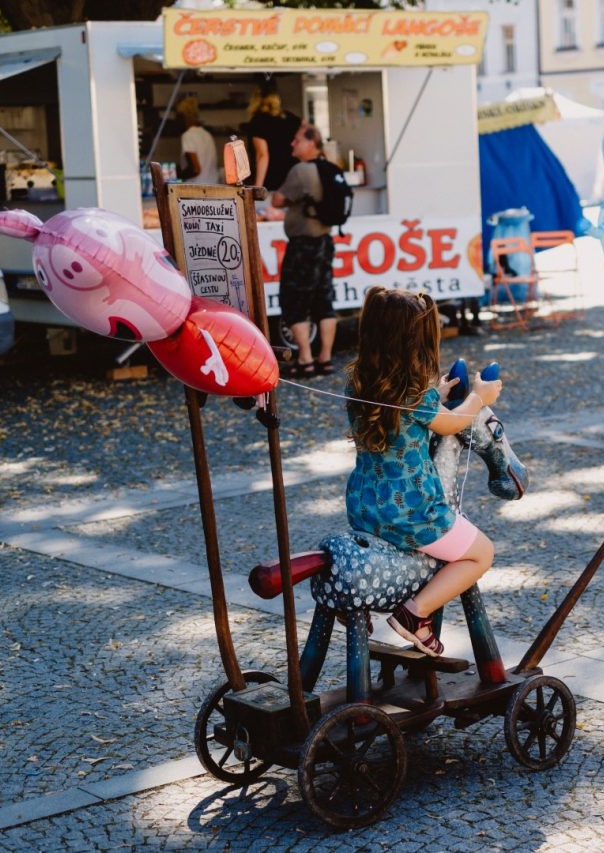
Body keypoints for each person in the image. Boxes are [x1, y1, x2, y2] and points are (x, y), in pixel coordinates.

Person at [344, 287, 504, 657]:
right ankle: (415, 615)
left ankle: (362, 605)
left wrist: (438, 395)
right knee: (482, 553)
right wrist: (478, 397)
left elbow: (407, 414)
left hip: (365, 506)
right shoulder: (415, 394)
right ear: (414, 342)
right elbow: (452, 424)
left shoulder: (358, 381)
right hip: (411, 511)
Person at [269, 125, 338, 375]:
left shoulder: (301, 171)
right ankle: (325, 358)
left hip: (303, 245)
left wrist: (291, 200)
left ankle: (305, 360)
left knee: (294, 299)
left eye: (297, 140)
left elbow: (277, 199)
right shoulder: (330, 168)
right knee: (324, 299)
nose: (292, 144)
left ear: (311, 143)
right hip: (325, 241)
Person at [246, 91, 303, 192]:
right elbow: (310, 131)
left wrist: (258, 188)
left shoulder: (258, 121)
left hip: (272, 180)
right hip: (294, 175)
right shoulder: (290, 117)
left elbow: (262, 155)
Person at [174, 97, 217, 185]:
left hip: (195, 188)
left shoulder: (188, 135)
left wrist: (176, 176)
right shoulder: (207, 134)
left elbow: (195, 169)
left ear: (183, 117)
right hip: (212, 186)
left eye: (177, 117)